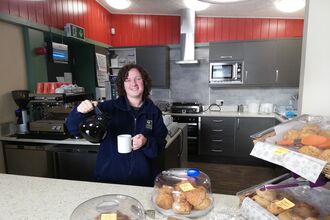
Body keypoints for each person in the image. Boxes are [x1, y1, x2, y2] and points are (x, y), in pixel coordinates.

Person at [66, 64, 168, 186]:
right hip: (109, 180)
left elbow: (160, 144)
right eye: (127, 80)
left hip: (142, 182)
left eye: (138, 78)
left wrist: (146, 142)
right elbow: (72, 129)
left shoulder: (153, 112)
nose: (133, 83)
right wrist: (79, 112)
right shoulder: (107, 108)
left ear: (144, 82)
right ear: (122, 85)